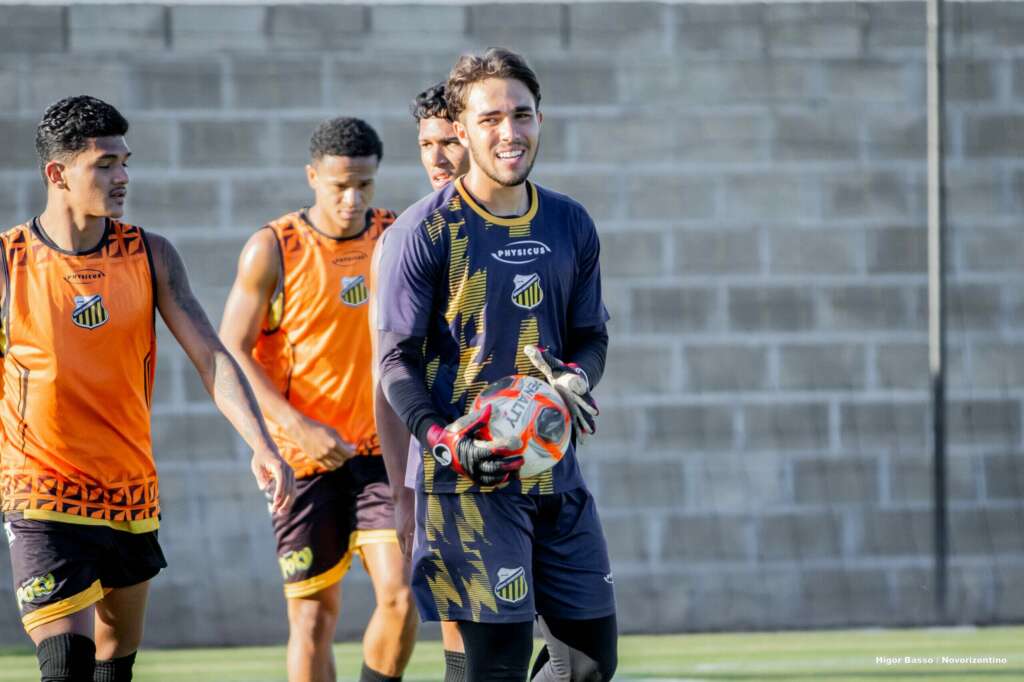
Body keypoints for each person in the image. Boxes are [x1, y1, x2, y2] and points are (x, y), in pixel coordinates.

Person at [1, 95, 294, 682]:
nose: (123, 177)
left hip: (128, 495)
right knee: (65, 665)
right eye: (105, 165)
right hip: (39, 494)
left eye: (125, 162)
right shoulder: (9, 263)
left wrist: (262, 445)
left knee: (114, 667)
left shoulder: (149, 254)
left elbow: (212, 356)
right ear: (57, 174)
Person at [376, 49, 618, 681]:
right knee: (497, 668)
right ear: (461, 127)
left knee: (590, 665)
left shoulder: (570, 222)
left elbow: (591, 336)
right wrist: (442, 441)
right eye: (490, 119)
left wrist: (575, 379)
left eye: (522, 115)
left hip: (556, 475)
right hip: (469, 483)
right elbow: (395, 360)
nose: (509, 133)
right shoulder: (423, 232)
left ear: (542, 119)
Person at [220, 117, 416, 682]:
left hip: (382, 453)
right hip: (305, 460)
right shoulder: (272, 248)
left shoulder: (395, 235)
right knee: (311, 620)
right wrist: (296, 427)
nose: (353, 199)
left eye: (365, 185)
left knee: (401, 596)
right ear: (312, 176)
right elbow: (231, 350)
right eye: (339, 186)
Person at [371, 81, 471, 682]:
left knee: (577, 646)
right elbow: (388, 373)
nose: (437, 157)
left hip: (531, 462)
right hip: (448, 467)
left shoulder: (544, 223)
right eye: (426, 144)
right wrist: (401, 493)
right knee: (463, 622)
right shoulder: (405, 240)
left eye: (450, 141)